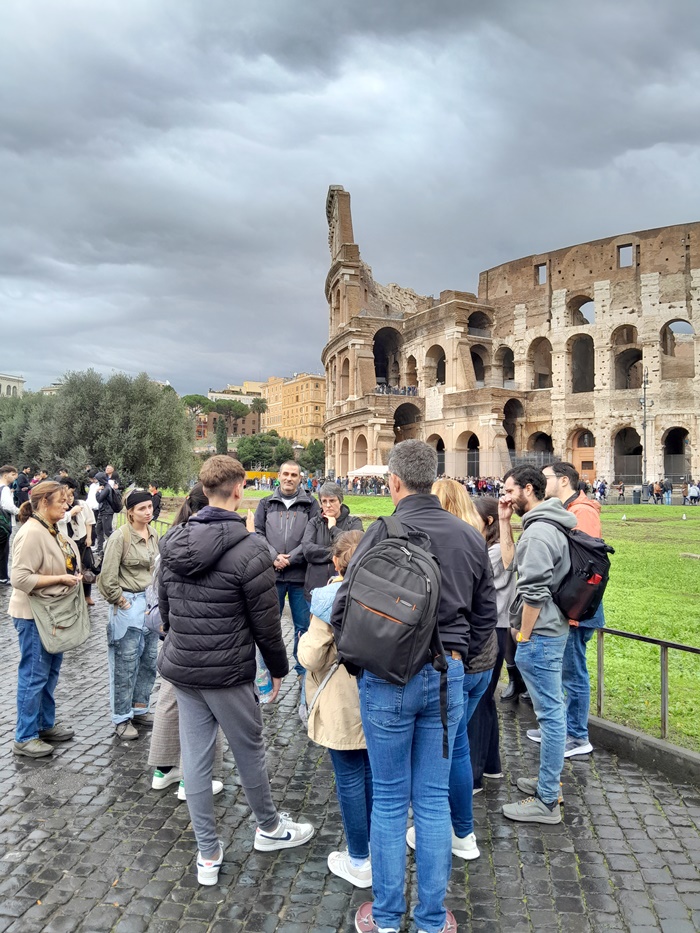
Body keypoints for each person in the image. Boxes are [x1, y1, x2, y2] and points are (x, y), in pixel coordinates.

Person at [332, 440, 497, 933]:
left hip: (386, 678)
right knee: (429, 802)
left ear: (394, 483)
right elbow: (486, 617)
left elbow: (343, 611)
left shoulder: (377, 533)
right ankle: (429, 919)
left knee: (387, 799)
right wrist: (455, 651)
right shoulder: (469, 537)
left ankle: (385, 918)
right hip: (447, 676)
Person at [158, 456, 315, 887]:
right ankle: (268, 828)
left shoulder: (172, 540)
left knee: (196, 758)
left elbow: (166, 609)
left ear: (204, 489)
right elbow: (267, 623)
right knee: (249, 751)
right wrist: (280, 668)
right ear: (239, 489)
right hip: (226, 671)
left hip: (185, 667)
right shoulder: (250, 548)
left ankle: (207, 852)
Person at [404, 478, 498, 863]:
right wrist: (471, 653)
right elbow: (487, 610)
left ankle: (459, 832)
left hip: (453, 662)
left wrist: (458, 656)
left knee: (449, 750)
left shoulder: (431, 540)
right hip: (481, 660)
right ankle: (463, 834)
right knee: (456, 745)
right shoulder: (476, 539)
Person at [500, 465, 577, 826]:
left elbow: (533, 592)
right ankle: (549, 783)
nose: (505, 496)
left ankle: (546, 800)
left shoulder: (539, 534)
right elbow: (510, 564)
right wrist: (504, 521)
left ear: (528, 489)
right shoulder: (543, 525)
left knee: (550, 716)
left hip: (540, 635)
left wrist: (524, 637)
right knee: (551, 713)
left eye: (509, 491)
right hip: (550, 629)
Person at [298, 529, 372, 888]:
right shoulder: (387, 589)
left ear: (336, 562)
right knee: (378, 777)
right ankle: (377, 848)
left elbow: (311, 656)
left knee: (350, 778)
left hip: (342, 700)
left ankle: (359, 858)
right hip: (381, 695)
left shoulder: (330, 595)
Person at [148, 483, 226, 801]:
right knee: (204, 709)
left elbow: (160, 588)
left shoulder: (172, 538)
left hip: (174, 634)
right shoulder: (211, 541)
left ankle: (163, 770)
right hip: (203, 636)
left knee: (169, 700)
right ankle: (194, 780)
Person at [535, 462, 604, 758]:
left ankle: (577, 735)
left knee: (574, 674)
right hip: (567, 605)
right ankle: (560, 726)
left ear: (563, 480)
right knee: (564, 671)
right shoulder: (568, 509)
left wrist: (573, 610)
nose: (542, 482)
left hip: (578, 607)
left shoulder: (582, 512)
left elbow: (584, 565)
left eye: (545, 478)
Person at [9, 481, 82, 757]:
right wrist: (60, 578)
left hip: (52, 613)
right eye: (61, 501)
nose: (67, 505)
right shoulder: (31, 533)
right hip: (32, 615)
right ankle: (24, 736)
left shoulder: (50, 529)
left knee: (49, 673)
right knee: (33, 675)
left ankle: (44, 724)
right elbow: (20, 578)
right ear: (43, 503)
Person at [98, 489, 160, 739]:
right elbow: (106, 577)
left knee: (149, 660)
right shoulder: (119, 537)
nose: (148, 512)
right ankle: (121, 718)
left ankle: (140, 708)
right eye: (142, 508)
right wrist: (121, 601)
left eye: (150, 507)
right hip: (128, 603)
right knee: (125, 663)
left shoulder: (155, 533)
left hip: (150, 604)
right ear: (130, 512)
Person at [467, 495, 516, 794]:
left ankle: (473, 773)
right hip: (495, 626)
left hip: (492, 628)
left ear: (486, 522)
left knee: (480, 701)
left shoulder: (496, 551)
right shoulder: (491, 547)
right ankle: (491, 764)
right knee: (486, 700)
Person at [254, 460, 321, 679]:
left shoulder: (311, 504)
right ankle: (268, 670)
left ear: (300, 478)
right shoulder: (265, 503)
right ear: (279, 476)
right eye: (285, 474)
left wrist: (291, 558)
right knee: (268, 626)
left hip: (300, 575)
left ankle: (303, 672)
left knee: (303, 626)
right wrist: (274, 557)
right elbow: (258, 534)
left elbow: (313, 537)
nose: (289, 478)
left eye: (294, 475)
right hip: (272, 575)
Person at [302, 482, 363, 604]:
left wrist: (333, 529)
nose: (328, 505)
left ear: (340, 501)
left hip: (345, 591)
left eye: (332, 500)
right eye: (324, 501)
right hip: (316, 589)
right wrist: (339, 554)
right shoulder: (314, 523)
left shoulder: (354, 522)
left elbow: (356, 551)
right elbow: (308, 551)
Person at [57, 477, 97, 607]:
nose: (69, 499)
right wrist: (70, 512)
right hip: (67, 542)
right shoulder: (59, 508)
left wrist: (89, 538)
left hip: (81, 541)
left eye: (71, 496)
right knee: (70, 569)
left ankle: (87, 595)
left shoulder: (81, 505)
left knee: (86, 567)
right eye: (67, 496)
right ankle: (72, 596)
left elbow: (89, 521)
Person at [1, 464, 20, 585]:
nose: (14, 478)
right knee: (3, 551)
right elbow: (7, 506)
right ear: (5, 474)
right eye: (13, 475)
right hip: (2, 524)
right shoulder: (5, 489)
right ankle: (2, 576)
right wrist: (20, 511)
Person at [95, 471, 119, 556]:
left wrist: (97, 492)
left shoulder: (107, 488)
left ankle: (117, 546)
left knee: (108, 531)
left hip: (107, 512)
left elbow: (99, 499)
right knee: (98, 529)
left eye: (98, 480)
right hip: (102, 511)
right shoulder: (105, 487)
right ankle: (100, 548)